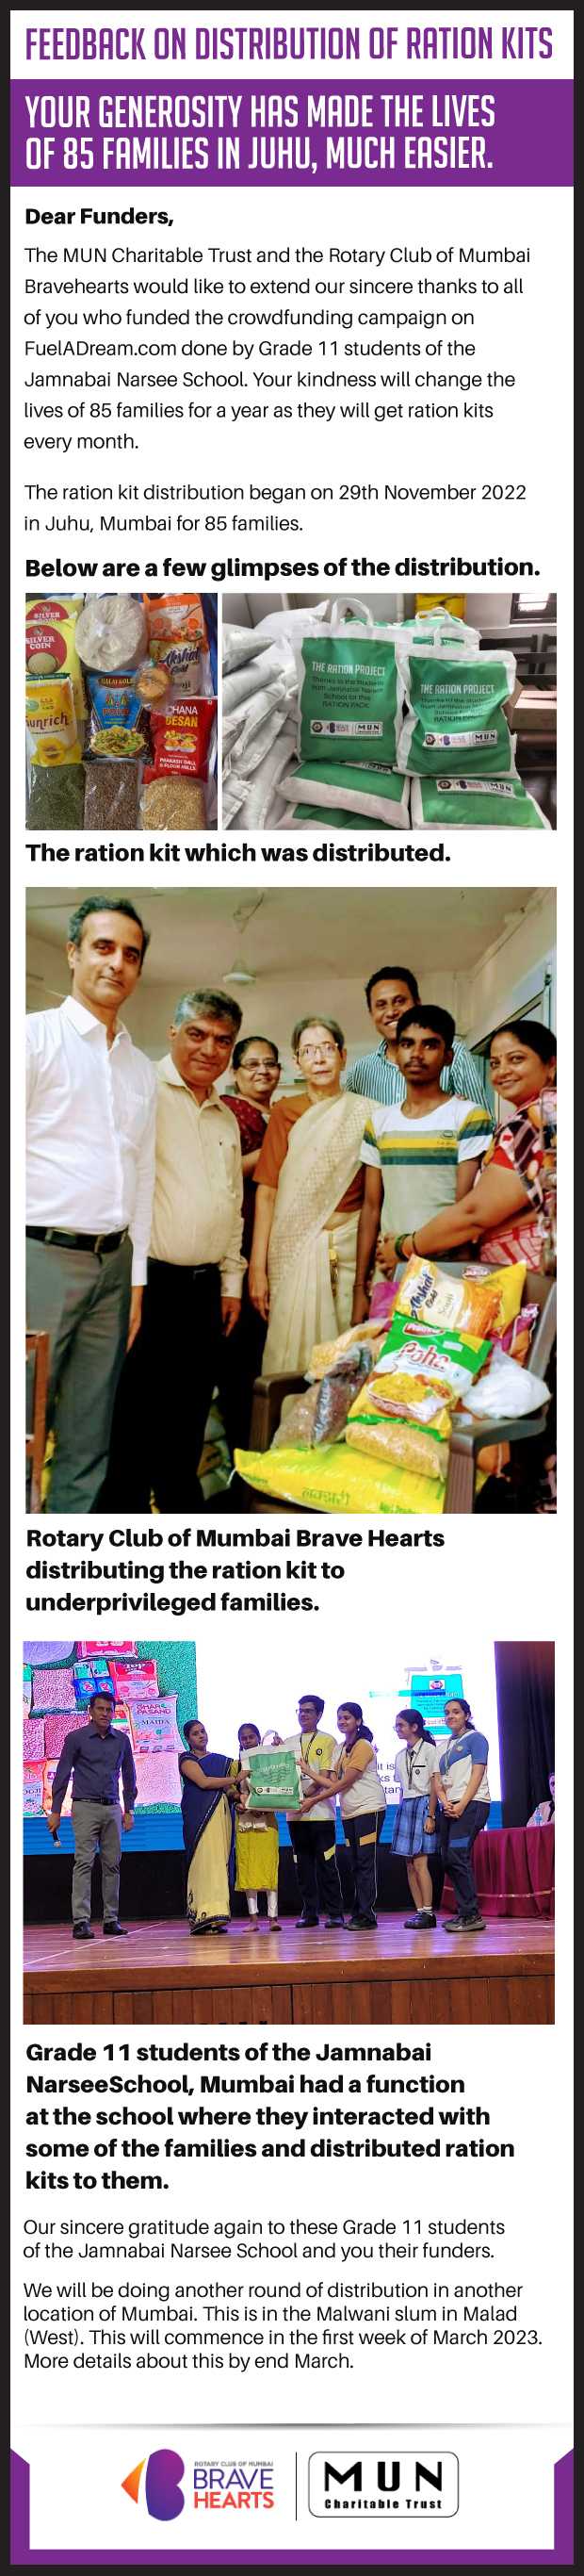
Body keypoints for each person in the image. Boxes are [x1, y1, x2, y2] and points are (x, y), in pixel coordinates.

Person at [25, 896, 157, 1511]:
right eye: (103, 947)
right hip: (38, 1261)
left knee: (88, 1436)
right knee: (23, 1428)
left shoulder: (140, 1068)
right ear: (73, 953)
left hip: (114, 1267)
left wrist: (136, 1280)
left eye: (131, 953)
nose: (117, 963)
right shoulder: (31, 1038)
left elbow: (141, 1174)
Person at [105, 990, 246, 1510]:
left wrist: (231, 1283)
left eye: (222, 1040)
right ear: (172, 1033)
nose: (209, 1049)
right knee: (133, 1424)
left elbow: (233, 1204)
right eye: (197, 1034)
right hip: (148, 1285)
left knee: (187, 1422)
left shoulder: (225, 1116)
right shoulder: (141, 1090)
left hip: (204, 1291)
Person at [375, 1020, 557, 1275]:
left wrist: (404, 1247)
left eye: (516, 1059)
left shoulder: (533, 1121)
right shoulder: (551, 1112)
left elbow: (474, 1213)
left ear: (551, 1065)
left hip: (531, 1271)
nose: (503, 1071)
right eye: (495, 1063)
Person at [352, 1007, 493, 1321]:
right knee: (383, 1351)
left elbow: (465, 1208)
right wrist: (359, 1287)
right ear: (397, 1053)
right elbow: (371, 1207)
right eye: (407, 1043)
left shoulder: (468, 1116)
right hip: (390, 1271)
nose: (416, 1054)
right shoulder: (379, 1122)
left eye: (430, 1044)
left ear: (448, 1057)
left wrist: (462, 1280)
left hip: (447, 1275)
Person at [249, 1018, 371, 1373]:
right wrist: (257, 1268)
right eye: (308, 1051)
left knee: (348, 1351)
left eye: (327, 1048)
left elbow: (375, 1196)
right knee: (291, 1354)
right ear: (297, 1061)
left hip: (352, 1249)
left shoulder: (369, 1113)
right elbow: (267, 1192)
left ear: (343, 1056)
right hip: (293, 1249)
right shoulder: (284, 1112)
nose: (319, 1058)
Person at [218, 1038, 281, 1455]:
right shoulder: (228, 1113)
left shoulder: (278, 1115)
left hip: (274, 1245)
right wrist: (277, 1147)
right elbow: (222, 1171)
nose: (262, 1071)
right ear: (235, 1072)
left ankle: (262, 1448)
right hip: (237, 1247)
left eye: (270, 1064)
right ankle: (244, 1452)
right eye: (252, 1064)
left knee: (266, 1353)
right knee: (240, 1356)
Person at [45, 1689, 137, 1941]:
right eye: (100, 1709)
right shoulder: (76, 1738)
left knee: (112, 1865)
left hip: (113, 1808)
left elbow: (129, 1776)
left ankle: (111, 1919)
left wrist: (129, 1809)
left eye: (109, 1710)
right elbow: (62, 1775)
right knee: (84, 1863)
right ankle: (81, 1921)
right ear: (90, 1711)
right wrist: (55, 1811)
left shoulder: (122, 1740)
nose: (105, 1713)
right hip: (84, 1807)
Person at [344, 964, 491, 1111]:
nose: (391, 1012)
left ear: (418, 1004)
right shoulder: (359, 1072)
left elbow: (482, 1120)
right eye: (381, 1005)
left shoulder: (454, 1055)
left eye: (399, 1001)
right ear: (371, 1014)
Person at [302, 1703, 386, 1930]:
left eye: (347, 1717)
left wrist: (313, 1800)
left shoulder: (363, 1745)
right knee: (356, 1863)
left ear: (358, 1721)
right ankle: (358, 1913)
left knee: (366, 1863)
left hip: (369, 1808)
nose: (342, 1721)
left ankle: (367, 1916)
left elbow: (345, 1782)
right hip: (349, 1812)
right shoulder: (339, 1748)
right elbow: (332, 1783)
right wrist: (308, 1771)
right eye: (339, 1717)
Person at [276, 1695, 345, 1928]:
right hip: (295, 1815)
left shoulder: (327, 1740)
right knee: (302, 1867)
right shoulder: (288, 1742)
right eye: (300, 1710)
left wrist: (307, 1796)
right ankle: (309, 1913)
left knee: (327, 1864)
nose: (303, 1714)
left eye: (308, 1711)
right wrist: (276, 1753)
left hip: (321, 1813)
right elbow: (281, 1775)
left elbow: (325, 1776)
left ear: (319, 1715)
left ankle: (335, 1912)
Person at [426, 1697, 491, 1933]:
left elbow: (477, 1773)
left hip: (473, 1804)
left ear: (466, 1715)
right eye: (447, 1712)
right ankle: (465, 1913)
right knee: (447, 1860)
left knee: (458, 1854)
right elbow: (437, 1780)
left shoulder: (476, 1739)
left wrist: (462, 1803)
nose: (450, 1716)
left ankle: (471, 1915)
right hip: (449, 1807)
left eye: (456, 1712)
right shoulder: (441, 1747)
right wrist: (444, 1803)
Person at [178, 1719, 238, 1936]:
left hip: (220, 1816)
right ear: (188, 1739)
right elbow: (203, 1782)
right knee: (204, 1864)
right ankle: (201, 1916)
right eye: (195, 1733)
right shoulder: (186, 1759)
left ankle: (217, 1917)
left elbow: (229, 1789)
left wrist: (237, 1795)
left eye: (203, 1731)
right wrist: (234, 1778)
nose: (201, 1735)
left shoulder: (221, 1761)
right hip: (199, 1818)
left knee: (218, 1864)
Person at [391, 1710, 442, 1930]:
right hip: (406, 1806)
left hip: (424, 1805)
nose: (398, 1729)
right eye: (396, 1726)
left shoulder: (430, 1750)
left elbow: (434, 1785)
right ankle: (419, 1911)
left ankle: (429, 1913)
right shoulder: (400, 1755)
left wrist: (431, 1814)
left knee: (421, 1863)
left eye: (401, 1725)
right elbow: (403, 1787)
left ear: (414, 1727)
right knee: (409, 1865)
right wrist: (401, 1811)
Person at [230, 1722, 281, 1928]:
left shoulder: (271, 1762)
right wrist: (237, 1803)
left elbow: (280, 1788)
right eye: (244, 1738)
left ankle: (273, 1919)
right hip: (245, 1824)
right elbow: (230, 1791)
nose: (248, 1741)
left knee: (269, 1867)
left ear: (259, 1738)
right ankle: (253, 1919)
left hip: (267, 1822)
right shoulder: (236, 1765)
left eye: (251, 1737)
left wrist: (264, 1808)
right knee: (247, 1868)